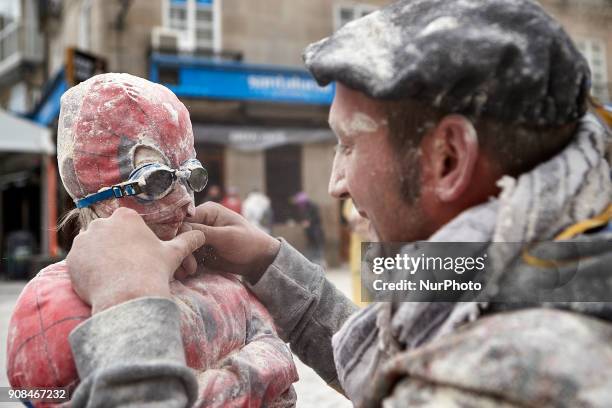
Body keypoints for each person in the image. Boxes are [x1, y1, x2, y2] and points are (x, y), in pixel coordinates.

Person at [60, 0, 612, 406]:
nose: (336, 185)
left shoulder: (513, 376)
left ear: (447, 158)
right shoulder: (553, 266)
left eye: (348, 144)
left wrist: (129, 307)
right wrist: (267, 263)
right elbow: (389, 358)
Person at [6, 73, 297, 407]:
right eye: (157, 181)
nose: (188, 202)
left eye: (192, 176)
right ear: (98, 193)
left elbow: (337, 354)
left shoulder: (225, 283)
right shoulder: (51, 305)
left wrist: (267, 259)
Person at [291, 191, 326, 266]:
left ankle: (320, 262)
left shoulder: (313, 206)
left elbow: (317, 218)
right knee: (310, 247)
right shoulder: (303, 208)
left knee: (318, 247)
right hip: (309, 232)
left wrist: (309, 222)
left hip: (316, 231)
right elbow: (302, 218)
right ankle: (311, 263)